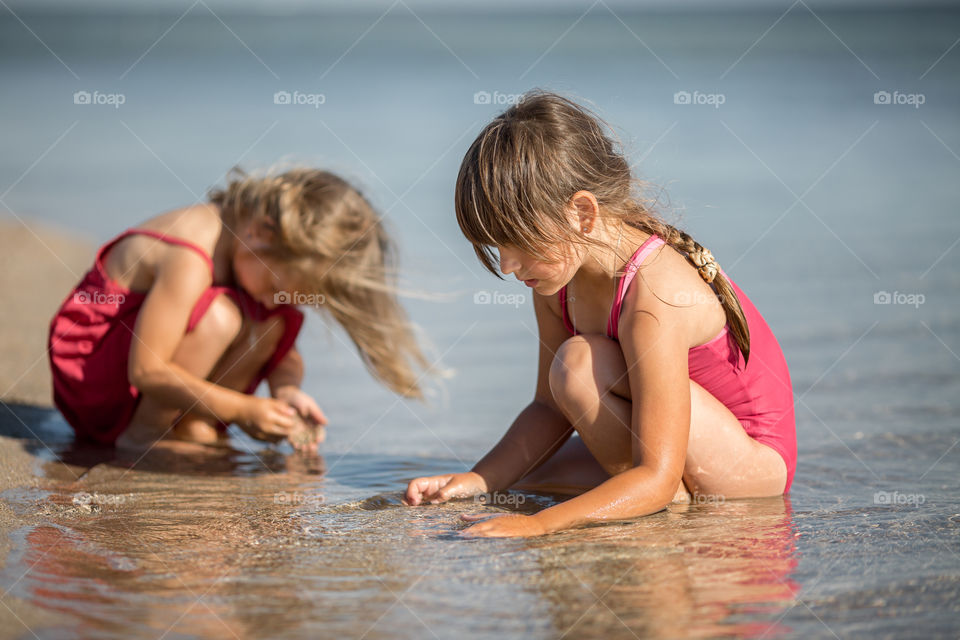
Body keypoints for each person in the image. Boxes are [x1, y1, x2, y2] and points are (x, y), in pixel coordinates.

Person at [405, 91, 797, 537]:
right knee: (523, 480)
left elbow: (656, 470)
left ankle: (662, 505)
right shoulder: (554, 280)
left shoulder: (655, 294)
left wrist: (540, 526)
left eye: (520, 244)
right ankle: (651, 500)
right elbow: (548, 408)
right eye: (498, 248)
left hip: (749, 466)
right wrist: (478, 480)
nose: (508, 267)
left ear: (582, 213)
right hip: (667, 449)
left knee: (577, 365)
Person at [49, 168, 427, 453]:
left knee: (270, 322)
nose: (276, 299)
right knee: (222, 317)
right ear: (261, 233)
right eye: (278, 288)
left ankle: (198, 428)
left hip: (141, 373)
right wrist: (244, 410)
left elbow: (285, 354)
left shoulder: (250, 258)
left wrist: (286, 390)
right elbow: (146, 369)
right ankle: (146, 436)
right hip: (95, 375)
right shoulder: (191, 255)